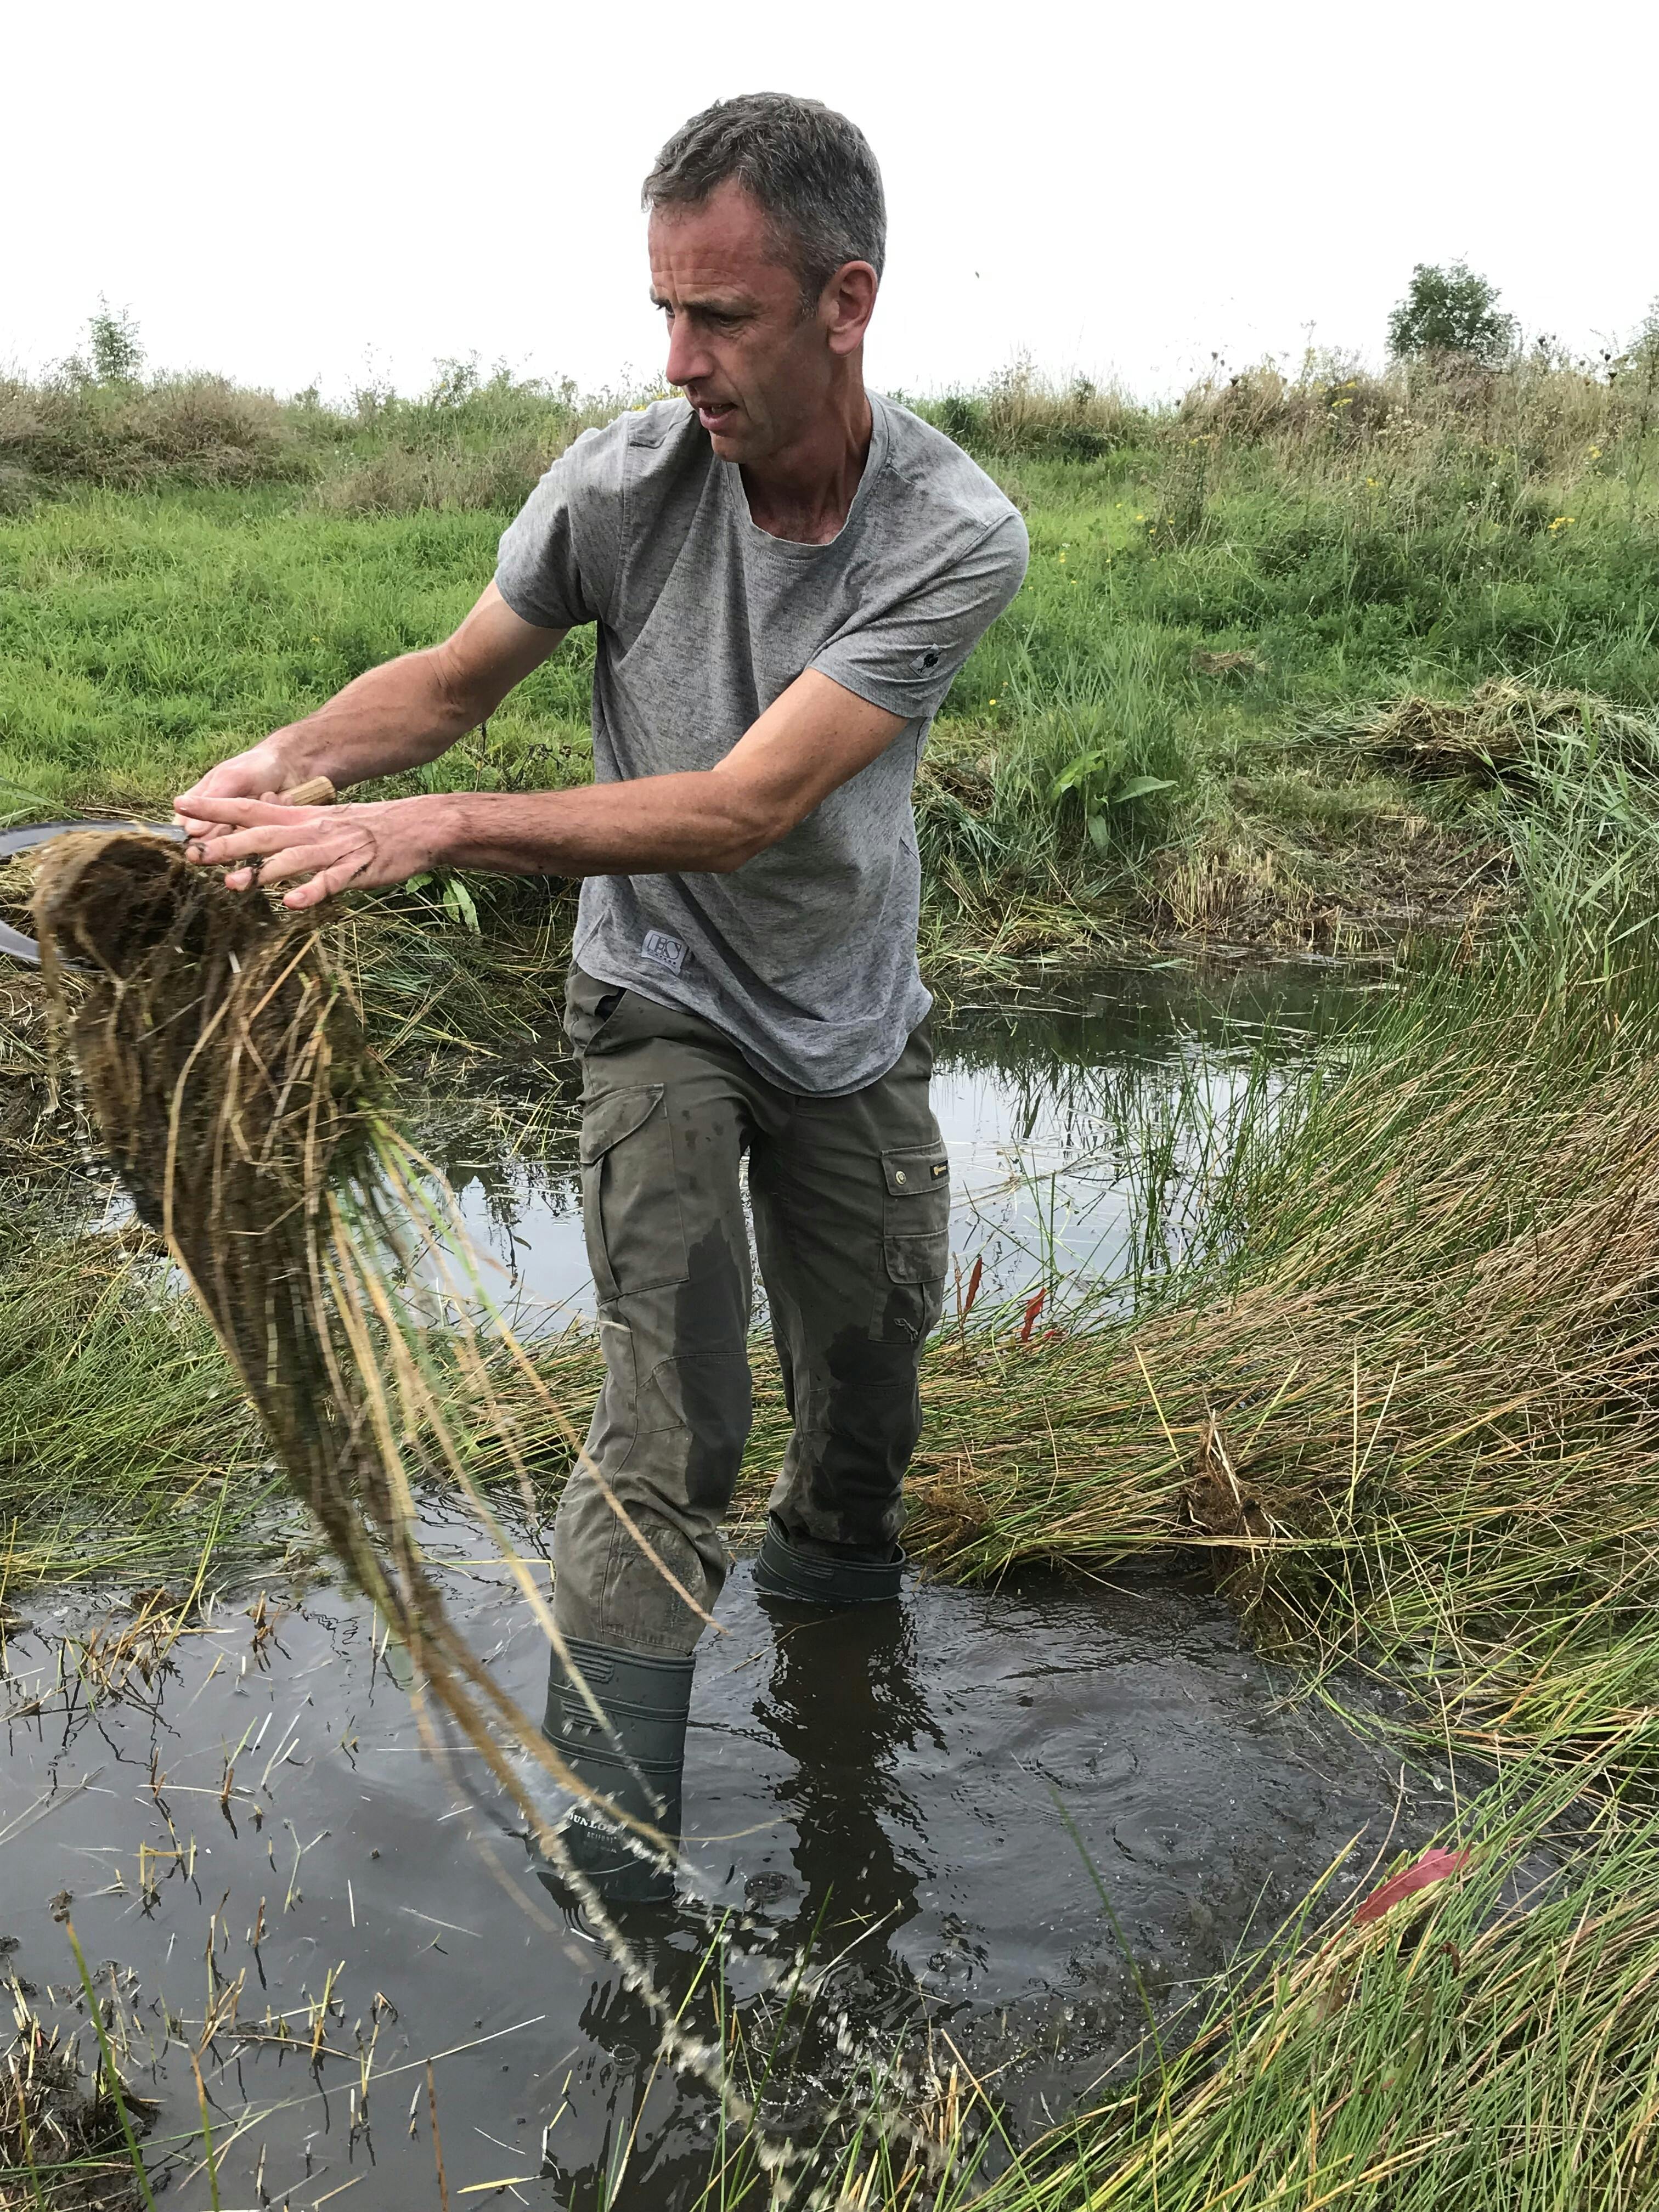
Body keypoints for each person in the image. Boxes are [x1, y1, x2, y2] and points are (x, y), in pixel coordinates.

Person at [176, 91, 1030, 1901]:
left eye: (720, 316)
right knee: (674, 1408)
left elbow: (744, 805)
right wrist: (285, 763)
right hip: (656, 994)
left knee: (867, 1397)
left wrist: (449, 832)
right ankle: (620, 1895)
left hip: (849, 1010)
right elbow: (453, 681)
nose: (681, 357)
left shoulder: (952, 532)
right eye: (664, 309)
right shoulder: (620, 481)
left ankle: (834, 1687)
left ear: (846, 302)